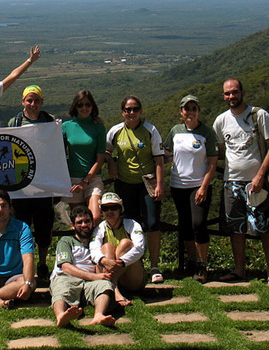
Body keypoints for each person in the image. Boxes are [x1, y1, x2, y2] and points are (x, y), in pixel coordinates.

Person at [213, 78, 269, 287]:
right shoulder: (221, 121)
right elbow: (222, 151)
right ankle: (239, 270)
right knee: (236, 228)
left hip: (255, 182)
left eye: (234, 92)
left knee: (265, 227)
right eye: (227, 94)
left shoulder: (259, 115)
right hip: (231, 181)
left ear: (242, 92)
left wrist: (260, 175)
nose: (231, 97)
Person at [106, 95, 165, 284]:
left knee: (153, 223)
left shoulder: (150, 130)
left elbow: (159, 159)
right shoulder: (115, 131)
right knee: (130, 225)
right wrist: (111, 163)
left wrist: (160, 184)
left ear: (141, 111)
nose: (131, 113)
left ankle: (155, 265)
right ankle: (135, 264)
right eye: (128, 109)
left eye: (135, 109)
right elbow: (106, 151)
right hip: (124, 184)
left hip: (146, 185)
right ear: (122, 111)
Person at [163, 94, 218, 282]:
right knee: (185, 225)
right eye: (187, 109)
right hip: (178, 185)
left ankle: (203, 264)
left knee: (198, 224)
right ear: (181, 111)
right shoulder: (175, 131)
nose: (190, 112)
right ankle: (192, 262)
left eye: (194, 108)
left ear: (198, 111)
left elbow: (212, 162)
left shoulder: (207, 133)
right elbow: (166, 153)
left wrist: (204, 186)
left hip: (198, 185)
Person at [7, 84, 56, 282]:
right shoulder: (15, 121)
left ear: (42, 102)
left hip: (43, 185)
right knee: (22, 226)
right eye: (29, 100)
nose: (32, 104)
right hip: (21, 186)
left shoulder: (50, 121)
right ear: (23, 101)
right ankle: (24, 266)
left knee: (44, 227)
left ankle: (42, 264)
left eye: (36, 100)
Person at [50, 206, 116, 327]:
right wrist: (93, 276)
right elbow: (66, 267)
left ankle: (99, 315)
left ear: (92, 222)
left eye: (87, 221)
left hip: (89, 283)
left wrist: (98, 277)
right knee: (62, 288)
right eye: (79, 222)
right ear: (73, 225)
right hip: (67, 277)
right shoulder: (66, 241)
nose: (84, 225)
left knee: (105, 285)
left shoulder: (96, 244)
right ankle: (60, 316)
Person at [89, 192, 145, 306]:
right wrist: (105, 261)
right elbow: (93, 249)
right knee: (107, 247)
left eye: (114, 207)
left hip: (130, 278)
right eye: (105, 208)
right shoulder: (99, 229)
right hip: (107, 273)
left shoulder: (132, 224)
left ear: (120, 209)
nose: (109, 212)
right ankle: (114, 288)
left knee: (126, 244)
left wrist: (120, 262)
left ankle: (112, 286)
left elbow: (140, 248)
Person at [61, 90, 107, 224]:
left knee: (95, 218)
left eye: (87, 105)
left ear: (93, 107)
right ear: (75, 107)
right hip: (73, 179)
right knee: (79, 221)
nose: (84, 108)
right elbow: (60, 154)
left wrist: (86, 181)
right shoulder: (66, 127)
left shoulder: (99, 128)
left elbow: (100, 158)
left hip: (93, 178)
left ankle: (96, 245)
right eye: (80, 105)